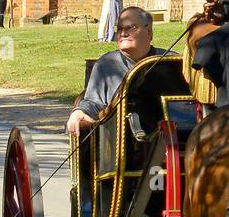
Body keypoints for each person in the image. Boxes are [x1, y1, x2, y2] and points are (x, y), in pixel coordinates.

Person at [66, 7, 164, 138]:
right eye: (120, 29)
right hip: (118, 142)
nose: (123, 33)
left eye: (131, 27)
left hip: (169, 139)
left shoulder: (170, 61)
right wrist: (79, 112)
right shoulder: (106, 64)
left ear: (149, 31)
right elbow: (94, 102)